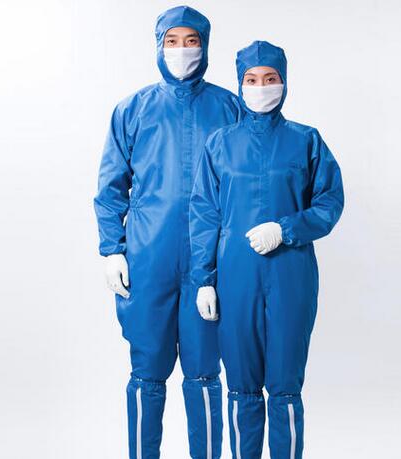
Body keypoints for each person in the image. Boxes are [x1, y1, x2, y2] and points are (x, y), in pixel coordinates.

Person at [94, 6, 241, 459]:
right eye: (172, 41)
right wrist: (112, 249)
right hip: (148, 258)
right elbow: (111, 186)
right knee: (147, 372)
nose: (182, 50)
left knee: (204, 373)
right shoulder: (133, 110)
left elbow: (245, 185)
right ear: (159, 46)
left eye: (191, 41)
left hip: (209, 263)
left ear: (205, 45)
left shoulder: (231, 108)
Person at [189, 40, 344, 459]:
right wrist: (203, 280)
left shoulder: (306, 140)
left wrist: (286, 228)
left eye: (270, 78)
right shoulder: (219, 145)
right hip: (235, 277)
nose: (261, 87)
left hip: (291, 274)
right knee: (241, 386)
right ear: (240, 85)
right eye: (252, 80)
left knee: (285, 386)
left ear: (284, 82)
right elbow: (203, 214)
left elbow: (329, 203)